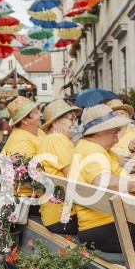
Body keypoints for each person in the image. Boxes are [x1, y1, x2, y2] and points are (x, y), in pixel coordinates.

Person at [69, 104, 135, 256]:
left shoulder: (97, 148)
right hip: (107, 228)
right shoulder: (92, 151)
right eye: (115, 127)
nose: (119, 130)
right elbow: (103, 182)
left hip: (108, 224)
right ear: (100, 132)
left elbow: (131, 162)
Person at [36, 99, 82, 235]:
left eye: (75, 119)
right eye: (71, 119)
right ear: (55, 122)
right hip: (63, 216)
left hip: (54, 214)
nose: (75, 124)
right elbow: (75, 175)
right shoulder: (57, 139)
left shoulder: (49, 139)